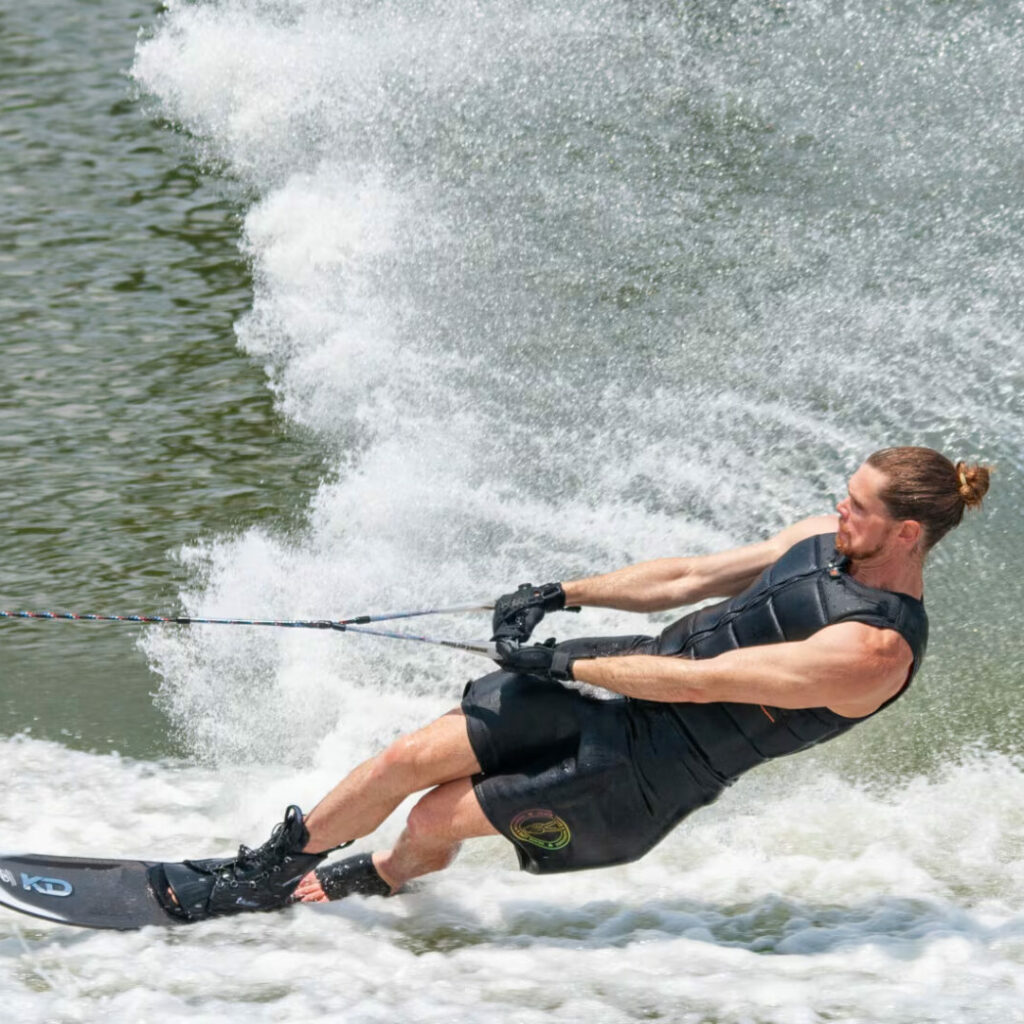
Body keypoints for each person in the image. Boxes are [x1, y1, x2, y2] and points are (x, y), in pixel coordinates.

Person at [152, 447, 990, 921]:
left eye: (856, 508)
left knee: (434, 816)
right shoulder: (820, 536)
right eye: (843, 498)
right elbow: (691, 576)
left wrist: (564, 662)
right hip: (625, 678)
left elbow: (708, 685)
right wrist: (562, 594)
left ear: (905, 532)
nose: (837, 512)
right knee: (409, 757)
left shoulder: (876, 651)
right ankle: (259, 877)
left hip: (651, 766)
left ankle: (379, 875)